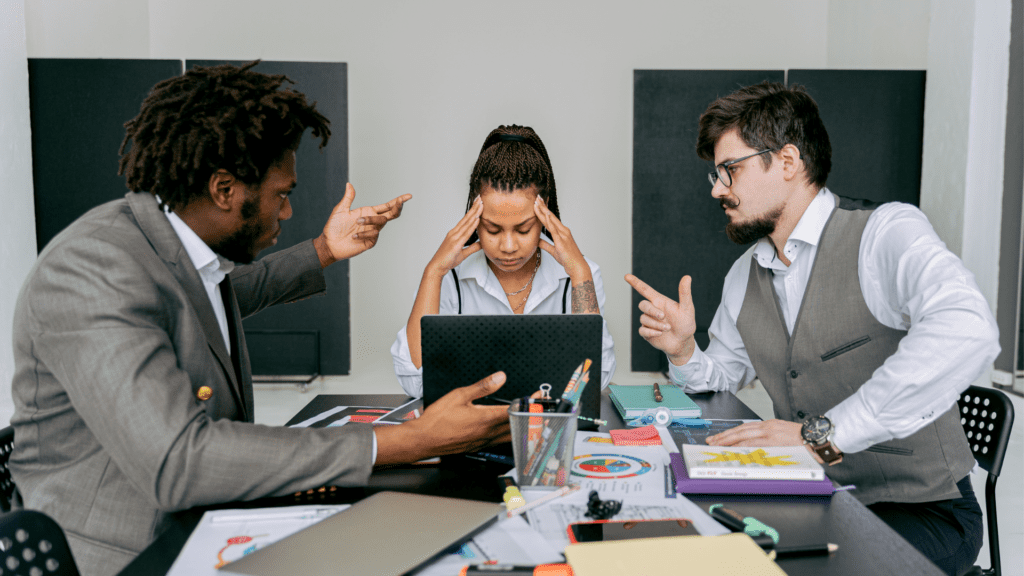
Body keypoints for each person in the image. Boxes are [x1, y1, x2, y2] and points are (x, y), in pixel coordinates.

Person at [8, 62, 510, 576]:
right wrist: (410, 441)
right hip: (126, 555)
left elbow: (219, 299)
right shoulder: (92, 268)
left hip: (206, 525)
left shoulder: (169, 248)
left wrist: (324, 250)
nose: (288, 213)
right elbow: (180, 461)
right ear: (225, 190)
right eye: (283, 195)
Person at [626, 82, 997, 576]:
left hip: (923, 511)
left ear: (787, 161)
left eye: (728, 170)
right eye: (715, 174)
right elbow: (723, 376)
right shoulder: (745, 273)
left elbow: (967, 326)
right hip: (812, 493)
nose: (717, 188)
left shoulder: (884, 234)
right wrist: (683, 351)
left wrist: (821, 435)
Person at [391, 125, 616, 397]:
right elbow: (415, 381)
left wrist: (579, 273)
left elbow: (592, 381)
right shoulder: (447, 277)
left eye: (523, 229)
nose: (508, 247)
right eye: (492, 229)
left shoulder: (581, 275)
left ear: (544, 214)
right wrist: (433, 272)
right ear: (474, 219)